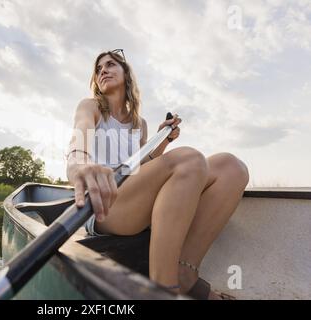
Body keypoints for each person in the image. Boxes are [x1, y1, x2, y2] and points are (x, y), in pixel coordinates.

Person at [65, 49, 249, 300]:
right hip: (102, 205)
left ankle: (185, 274)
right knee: (190, 158)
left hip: (132, 195)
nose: (103, 71)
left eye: (110, 65)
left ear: (126, 74)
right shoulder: (91, 107)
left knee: (231, 167)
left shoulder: (139, 124)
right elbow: (80, 136)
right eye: (98, 69)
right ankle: (164, 290)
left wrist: (161, 142)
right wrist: (78, 163)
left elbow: (139, 166)